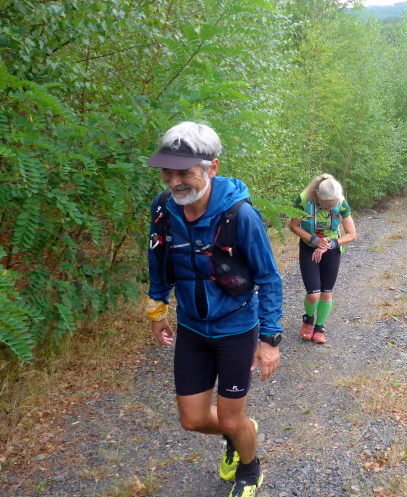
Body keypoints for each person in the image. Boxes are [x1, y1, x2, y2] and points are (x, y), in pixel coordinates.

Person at [145, 122, 283, 497]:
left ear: (212, 168)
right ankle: (237, 433)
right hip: (192, 328)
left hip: (236, 329)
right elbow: (157, 259)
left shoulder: (240, 216)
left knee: (230, 417)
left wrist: (270, 339)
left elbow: (269, 278)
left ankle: (249, 469)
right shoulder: (163, 209)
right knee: (191, 420)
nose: (174, 182)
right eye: (167, 172)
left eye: (184, 173)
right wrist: (157, 310)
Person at [289, 174, 357, 344]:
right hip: (309, 246)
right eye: (327, 206)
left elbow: (351, 234)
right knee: (313, 295)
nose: (329, 209)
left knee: (326, 294)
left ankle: (319, 327)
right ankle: (308, 319)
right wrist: (314, 241)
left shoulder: (341, 202)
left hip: (331, 248)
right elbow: (294, 225)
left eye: (333, 206)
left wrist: (329, 244)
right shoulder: (303, 199)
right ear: (318, 196)